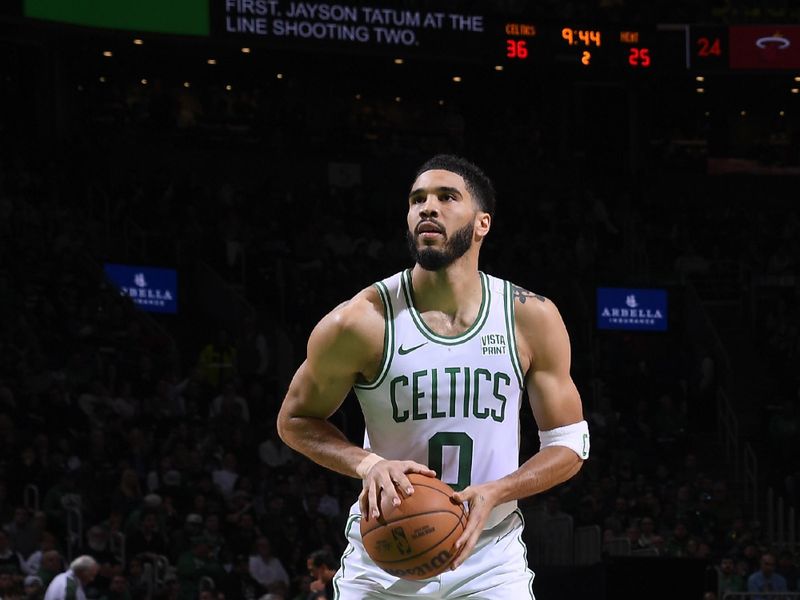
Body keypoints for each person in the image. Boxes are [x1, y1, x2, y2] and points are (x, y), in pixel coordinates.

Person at [277, 155, 589, 598]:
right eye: (417, 199)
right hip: (386, 552)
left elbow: (569, 444)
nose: (428, 207)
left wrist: (497, 491)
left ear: (482, 223)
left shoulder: (529, 317)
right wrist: (370, 464)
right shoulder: (360, 321)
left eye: (446, 197)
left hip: (490, 558)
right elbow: (294, 421)